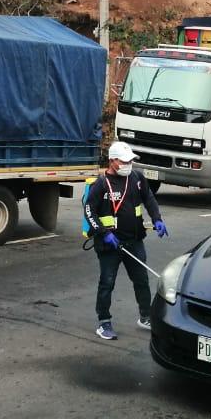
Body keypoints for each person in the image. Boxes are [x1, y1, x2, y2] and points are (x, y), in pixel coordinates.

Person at [84, 141, 167, 340]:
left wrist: (157, 219)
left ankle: (145, 316)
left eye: (131, 160)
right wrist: (104, 233)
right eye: (124, 161)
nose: (129, 164)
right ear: (112, 161)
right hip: (109, 244)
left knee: (141, 281)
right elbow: (89, 211)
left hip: (134, 241)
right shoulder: (101, 184)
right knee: (107, 282)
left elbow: (149, 199)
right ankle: (104, 322)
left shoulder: (137, 178)